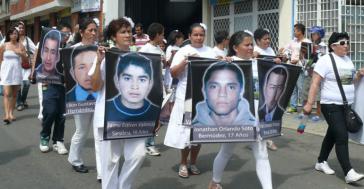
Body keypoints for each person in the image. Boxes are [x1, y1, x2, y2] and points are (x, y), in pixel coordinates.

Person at [208, 30, 272, 189]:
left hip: (258, 115)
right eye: (247, 45)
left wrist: (276, 64)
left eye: (252, 44)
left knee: (262, 154)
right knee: (227, 151)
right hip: (235, 117)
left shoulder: (258, 63)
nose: (251, 47)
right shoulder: (228, 63)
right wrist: (221, 64)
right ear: (235, 48)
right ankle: (215, 182)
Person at [90, 17, 146, 189]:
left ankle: (123, 186)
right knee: (110, 162)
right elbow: (95, 86)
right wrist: (99, 61)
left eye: (129, 31)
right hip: (109, 115)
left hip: (134, 115)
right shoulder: (106, 56)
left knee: (139, 154)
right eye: (123, 32)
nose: (128, 35)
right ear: (114, 36)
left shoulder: (139, 57)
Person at [303, 32, 364, 184]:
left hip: (345, 106)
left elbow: (350, 81)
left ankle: (321, 161)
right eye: (343, 43)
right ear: (333, 46)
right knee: (341, 137)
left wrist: (359, 75)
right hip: (330, 105)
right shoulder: (325, 61)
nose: (346, 46)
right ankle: (348, 172)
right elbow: (315, 83)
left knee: (332, 134)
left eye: (347, 42)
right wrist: (309, 103)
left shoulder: (348, 60)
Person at [164, 23, 217, 178]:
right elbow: (173, 73)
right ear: (189, 36)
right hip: (186, 97)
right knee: (186, 132)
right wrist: (185, 61)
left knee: (198, 131)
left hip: (204, 98)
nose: (199, 38)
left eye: (201, 35)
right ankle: (183, 162)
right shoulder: (183, 51)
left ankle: (193, 162)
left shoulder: (210, 51)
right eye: (195, 34)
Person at [67, 18, 101, 179]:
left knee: (99, 132)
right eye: (90, 30)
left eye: (95, 30)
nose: (93, 33)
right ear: (81, 32)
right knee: (81, 130)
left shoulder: (100, 49)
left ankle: (103, 168)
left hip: (99, 95)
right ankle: (75, 160)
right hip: (79, 99)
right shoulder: (72, 50)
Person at [32, 28, 67, 155]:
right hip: (49, 83)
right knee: (50, 111)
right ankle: (45, 136)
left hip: (64, 85)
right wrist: (33, 73)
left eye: (67, 34)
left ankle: (58, 140)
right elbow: (36, 57)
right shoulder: (48, 42)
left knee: (62, 115)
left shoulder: (69, 47)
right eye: (63, 34)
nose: (65, 36)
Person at [193, 61, 255, 126]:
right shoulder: (191, 131)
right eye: (214, 86)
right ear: (204, 91)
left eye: (231, 87)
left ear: (241, 91)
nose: (222, 94)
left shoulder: (256, 127)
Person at [106, 52, 160, 124]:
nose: (135, 87)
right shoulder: (106, 109)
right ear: (116, 81)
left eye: (142, 80)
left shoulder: (155, 112)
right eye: (127, 78)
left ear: (150, 84)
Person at [139, 22, 165, 156]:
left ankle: (150, 142)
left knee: (155, 116)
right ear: (157, 35)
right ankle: (147, 144)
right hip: (148, 88)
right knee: (148, 115)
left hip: (158, 86)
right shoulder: (145, 49)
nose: (163, 36)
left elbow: (162, 66)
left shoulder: (159, 49)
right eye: (162, 34)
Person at [280, 23, 311, 113]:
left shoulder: (307, 42)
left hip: (301, 68)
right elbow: (285, 49)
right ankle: (293, 106)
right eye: (294, 30)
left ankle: (304, 106)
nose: (294, 32)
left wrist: (298, 60)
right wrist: (282, 51)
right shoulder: (293, 41)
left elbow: (308, 57)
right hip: (292, 66)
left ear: (301, 31)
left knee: (301, 88)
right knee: (293, 87)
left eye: (296, 30)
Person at [0, 26, 27, 124]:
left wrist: (21, 54)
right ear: (8, 35)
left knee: (15, 94)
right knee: (7, 94)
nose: (14, 35)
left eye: (15, 33)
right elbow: (0, 59)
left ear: (17, 35)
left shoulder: (21, 45)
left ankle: (11, 113)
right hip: (6, 72)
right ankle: (7, 115)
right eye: (11, 33)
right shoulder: (4, 45)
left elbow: (25, 60)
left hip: (16, 71)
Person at [300, 26, 327, 122]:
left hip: (317, 72)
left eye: (315, 34)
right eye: (312, 34)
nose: (313, 35)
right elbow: (304, 57)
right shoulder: (310, 44)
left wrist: (313, 61)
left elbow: (322, 59)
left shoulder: (322, 46)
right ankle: (305, 112)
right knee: (305, 91)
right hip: (308, 70)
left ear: (320, 35)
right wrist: (303, 58)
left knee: (318, 94)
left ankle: (319, 114)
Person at [16, 21, 36, 111]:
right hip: (15, 66)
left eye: (22, 28)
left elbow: (35, 49)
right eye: (19, 28)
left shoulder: (27, 40)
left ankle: (22, 100)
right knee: (17, 85)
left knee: (27, 84)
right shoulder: (11, 39)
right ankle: (19, 103)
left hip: (26, 65)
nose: (21, 29)